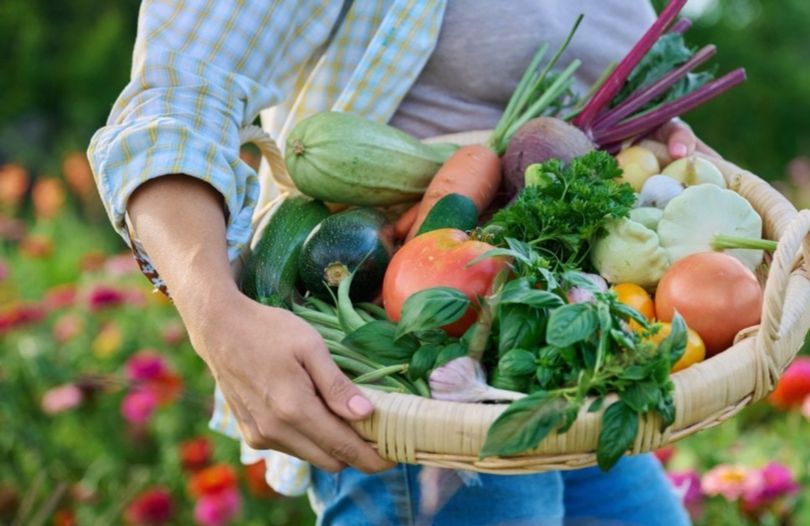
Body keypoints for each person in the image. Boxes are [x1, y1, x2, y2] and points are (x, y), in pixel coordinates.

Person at [90, 1, 716, 524]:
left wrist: (661, 143)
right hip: (417, 381)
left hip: (555, 350)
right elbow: (174, 101)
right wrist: (216, 314)